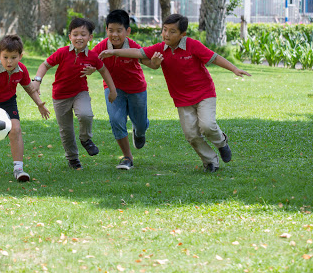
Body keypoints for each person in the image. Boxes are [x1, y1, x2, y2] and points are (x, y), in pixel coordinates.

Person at [99, 14, 251, 172]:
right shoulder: (159, 49)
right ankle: (210, 161)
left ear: (182, 34)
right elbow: (139, 53)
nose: (166, 34)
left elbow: (214, 58)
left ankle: (221, 143)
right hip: (182, 99)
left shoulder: (192, 45)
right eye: (164, 30)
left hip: (204, 94)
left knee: (207, 125)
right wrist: (114, 52)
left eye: (172, 31)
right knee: (191, 135)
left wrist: (234, 68)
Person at [32, 18, 117, 170]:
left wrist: (113, 89)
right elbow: (45, 65)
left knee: (86, 115)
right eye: (75, 34)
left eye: (83, 34)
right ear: (69, 36)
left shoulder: (92, 56)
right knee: (66, 131)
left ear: (90, 37)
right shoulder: (62, 53)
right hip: (60, 96)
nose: (79, 38)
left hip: (80, 93)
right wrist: (37, 80)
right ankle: (73, 159)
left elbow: (104, 70)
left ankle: (85, 139)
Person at [0, 35, 50, 182]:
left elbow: (30, 89)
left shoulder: (21, 70)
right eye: (5, 57)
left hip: (8, 102)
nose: (9, 61)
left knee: (16, 129)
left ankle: (19, 169)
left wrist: (39, 104)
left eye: (13, 57)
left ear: (20, 56)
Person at [90, 9, 162, 170]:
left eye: (119, 31)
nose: (114, 35)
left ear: (127, 31)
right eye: (111, 30)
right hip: (113, 89)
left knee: (141, 124)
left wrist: (156, 63)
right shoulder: (101, 47)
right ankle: (127, 157)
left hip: (136, 89)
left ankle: (139, 131)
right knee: (116, 120)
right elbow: (90, 62)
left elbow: (150, 64)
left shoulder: (133, 46)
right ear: (106, 30)